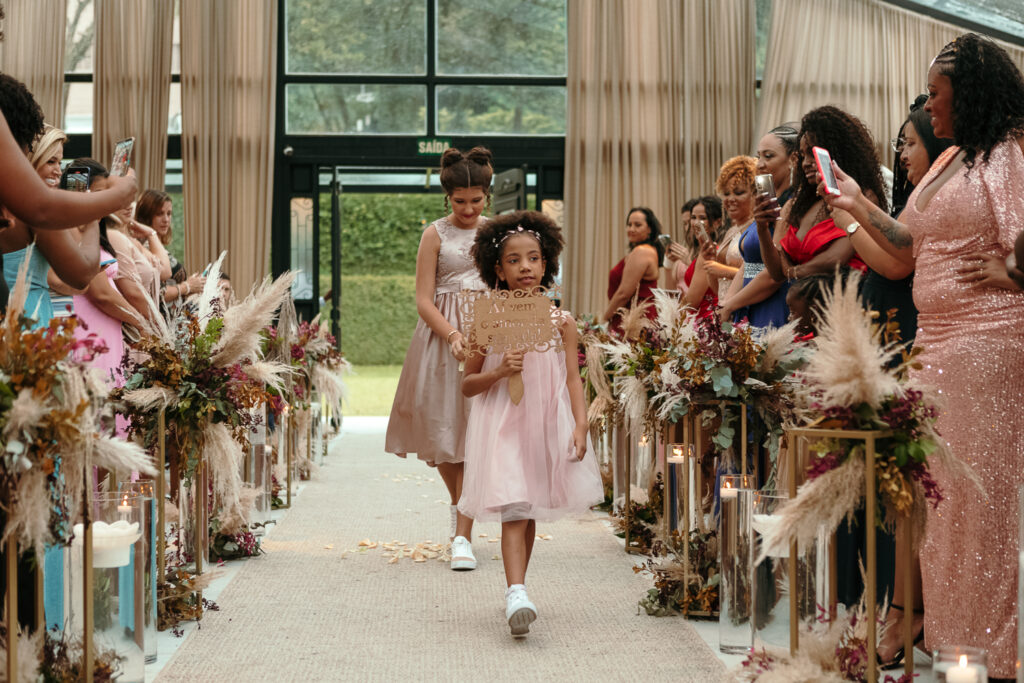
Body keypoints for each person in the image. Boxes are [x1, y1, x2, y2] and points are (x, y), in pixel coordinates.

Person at [821, 33, 1024, 681]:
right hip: (934, 345)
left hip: (987, 345)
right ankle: (956, 646)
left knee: (975, 506)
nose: (928, 105)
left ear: (971, 93)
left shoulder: (1008, 154)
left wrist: (1014, 271)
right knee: (938, 503)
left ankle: (991, 655)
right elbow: (909, 242)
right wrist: (855, 200)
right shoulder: (953, 159)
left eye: (937, 94)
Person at [459, 210, 603, 637]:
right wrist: (499, 371)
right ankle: (516, 592)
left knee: (530, 507)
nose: (525, 267)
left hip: (541, 424)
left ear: (546, 263)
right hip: (502, 424)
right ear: (498, 270)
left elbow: (573, 379)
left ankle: (518, 586)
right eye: (514, 260)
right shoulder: (488, 319)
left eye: (533, 258)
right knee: (515, 507)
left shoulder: (562, 322)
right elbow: (467, 384)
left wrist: (581, 424)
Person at [385, 146, 494, 571]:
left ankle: (461, 533)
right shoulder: (434, 235)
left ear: (487, 195)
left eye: (476, 200)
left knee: (480, 432)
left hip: (489, 335)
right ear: (447, 197)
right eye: (459, 201)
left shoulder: (497, 232)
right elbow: (423, 299)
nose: (468, 209)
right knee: (446, 434)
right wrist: (452, 334)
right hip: (442, 339)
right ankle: (460, 515)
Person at [756, 106, 886, 286]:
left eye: (813, 153)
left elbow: (835, 259)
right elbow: (776, 273)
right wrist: (762, 229)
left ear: (836, 152)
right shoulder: (795, 205)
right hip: (794, 300)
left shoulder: (863, 198)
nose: (806, 163)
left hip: (841, 299)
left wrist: (791, 272)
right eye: (803, 155)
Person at [716, 154, 789, 328]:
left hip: (766, 298)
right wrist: (726, 303)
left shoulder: (776, 217)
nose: (731, 199)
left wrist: (731, 302)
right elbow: (746, 266)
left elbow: (773, 272)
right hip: (737, 304)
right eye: (726, 193)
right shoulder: (737, 230)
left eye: (739, 192)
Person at [602, 207, 663, 333]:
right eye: (629, 225)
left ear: (649, 229)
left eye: (637, 225)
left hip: (635, 322)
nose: (631, 229)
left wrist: (605, 318)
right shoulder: (644, 250)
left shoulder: (642, 251)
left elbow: (624, 294)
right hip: (630, 319)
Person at [681, 195, 724, 315]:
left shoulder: (709, 252)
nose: (695, 223)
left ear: (717, 222)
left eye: (702, 218)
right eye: (693, 217)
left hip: (706, 318)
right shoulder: (706, 250)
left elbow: (691, 302)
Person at [756, 123, 801, 207]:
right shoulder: (761, 203)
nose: (759, 165)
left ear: (793, 159)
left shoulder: (797, 204)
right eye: (758, 157)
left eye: (768, 156)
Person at [666, 197, 700, 292]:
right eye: (685, 224)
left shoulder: (708, 249)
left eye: (690, 222)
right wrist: (668, 264)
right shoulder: (685, 250)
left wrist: (689, 261)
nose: (688, 228)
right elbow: (671, 291)